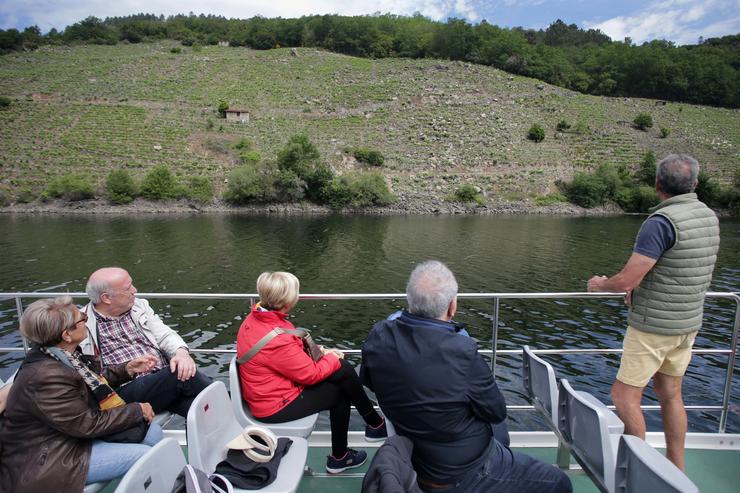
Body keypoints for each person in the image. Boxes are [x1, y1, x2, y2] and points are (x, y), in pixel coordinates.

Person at [362, 260, 571, 493]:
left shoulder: (378, 336)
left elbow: (369, 380)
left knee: (498, 435)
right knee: (559, 482)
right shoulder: (461, 352)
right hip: (462, 470)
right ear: (452, 307)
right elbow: (496, 411)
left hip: (415, 452)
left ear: (410, 300)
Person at [587, 154, 719, 470]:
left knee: (624, 396)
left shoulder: (661, 223)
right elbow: (685, 266)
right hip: (687, 325)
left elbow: (627, 279)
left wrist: (601, 284)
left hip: (653, 327)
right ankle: (675, 467)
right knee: (671, 394)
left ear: (657, 184)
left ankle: (639, 470)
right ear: (695, 185)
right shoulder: (707, 216)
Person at [0, 296, 163, 493]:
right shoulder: (45, 376)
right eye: (82, 318)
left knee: (153, 432)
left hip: (67, 440)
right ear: (66, 334)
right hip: (47, 460)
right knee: (143, 456)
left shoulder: (61, 356)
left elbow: (88, 384)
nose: (87, 320)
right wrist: (137, 410)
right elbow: (87, 424)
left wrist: (126, 369)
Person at [236, 271, 387, 474]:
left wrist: (323, 354)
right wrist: (332, 358)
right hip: (274, 405)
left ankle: (370, 429)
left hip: (268, 391)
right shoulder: (276, 338)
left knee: (342, 373)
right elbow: (310, 375)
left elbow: (289, 357)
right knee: (341, 383)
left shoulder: (257, 318)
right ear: (288, 303)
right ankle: (353, 445)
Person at [81, 266, 212, 417]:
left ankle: (228, 425)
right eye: (128, 288)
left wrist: (181, 353)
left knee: (200, 409)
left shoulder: (139, 306)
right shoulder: (80, 324)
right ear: (106, 298)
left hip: (161, 381)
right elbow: (86, 376)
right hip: (124, 390)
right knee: (181, 375)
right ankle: (233, 408)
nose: (135, 290)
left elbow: (164, 335)